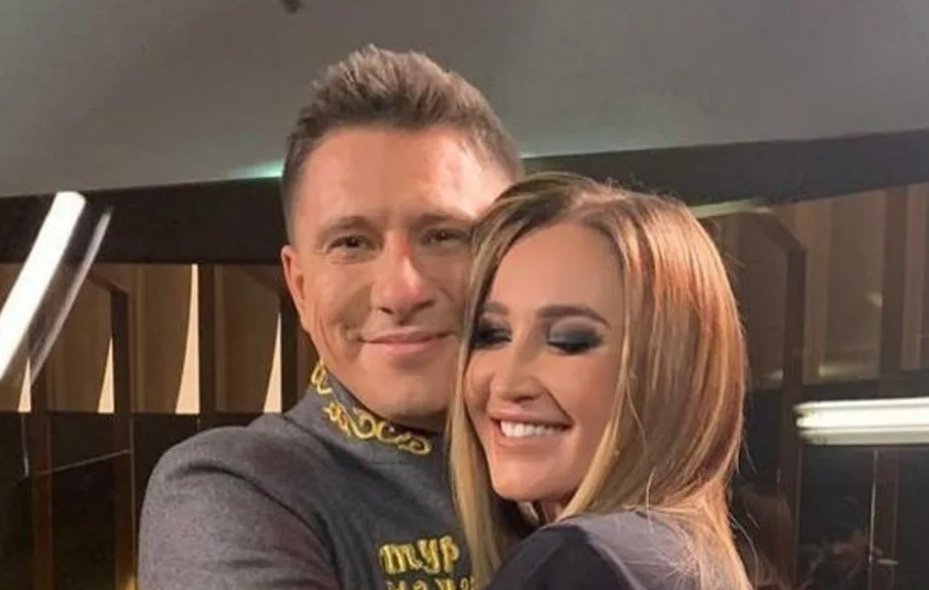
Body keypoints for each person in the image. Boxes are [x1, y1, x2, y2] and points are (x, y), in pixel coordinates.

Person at [138, 46, 522, 590]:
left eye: (445, 236)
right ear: (299, 287)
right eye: (351, 243)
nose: (401, 291)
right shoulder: (238, 487)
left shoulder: (600, 460)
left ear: (524, 255)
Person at [448, 173, 752, 590]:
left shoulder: (581, 561)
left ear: (666, 374)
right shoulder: (682, 560)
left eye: (569, 341)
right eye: (493, 335)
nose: (507, 383)